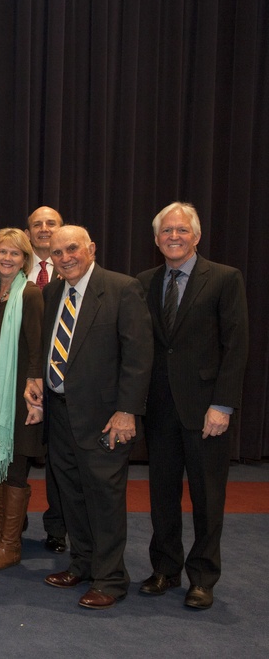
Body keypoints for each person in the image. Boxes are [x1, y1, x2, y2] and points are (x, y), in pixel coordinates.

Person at [24, 225, 152, 610]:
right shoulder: (53, 291)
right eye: (58, 252)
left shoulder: (122, 289)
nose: (65, 257)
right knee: (71, 495)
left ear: (91, 249)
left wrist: (127, 411)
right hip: (60, 414)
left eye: (73, 249)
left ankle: (111, 579)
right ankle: (80, 564)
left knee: (105, 499)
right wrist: (38, 382)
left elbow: (138, 357)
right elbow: (51, 348)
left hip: (105, 418)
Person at [136, 202, 248, 610]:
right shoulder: (144, 281)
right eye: (166, 231)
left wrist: (223, 405)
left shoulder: (224, 279)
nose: (174, 237)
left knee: (207, 497)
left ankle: (202, 577)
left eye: (182, 231)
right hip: (159, 408)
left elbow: (236, 348)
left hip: (207, 412)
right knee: (162, 494)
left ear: (196, 236)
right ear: (156, 239)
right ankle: (165, 568)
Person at [0, 228, 44, 571]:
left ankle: (12, 547)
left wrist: (33, 391)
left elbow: (36, 347)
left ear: (25, 259)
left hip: (16, 395)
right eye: (2, 252)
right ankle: (1, 537)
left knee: (14, 467)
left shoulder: (29, 295)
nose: (7, 258)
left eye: (15, 254)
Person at [24, 205, 67, 554]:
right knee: (19, 456)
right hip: (22, 377)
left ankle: (58, 528)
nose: (43, 229)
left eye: (50, 223)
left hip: (63, 378)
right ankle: (13, 526)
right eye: (36, 225)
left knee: (59, 460)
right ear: (27, 233)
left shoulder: (72, 269)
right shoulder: (9, 267)